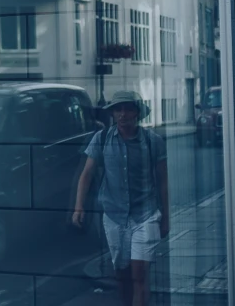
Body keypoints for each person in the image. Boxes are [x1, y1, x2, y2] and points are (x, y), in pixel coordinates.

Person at [72, 91, 170, 306]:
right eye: (118, 109)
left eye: (128, 109)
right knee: (122, 276)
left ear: (137, 112)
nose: (123, 114)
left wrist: (165, 218)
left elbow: (162, 181)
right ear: (113, 113)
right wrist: (78, 206)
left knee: (139, 275)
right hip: (114, 217)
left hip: (145, 215)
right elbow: (87, 174)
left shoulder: (153, 142)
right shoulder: (102, 138)